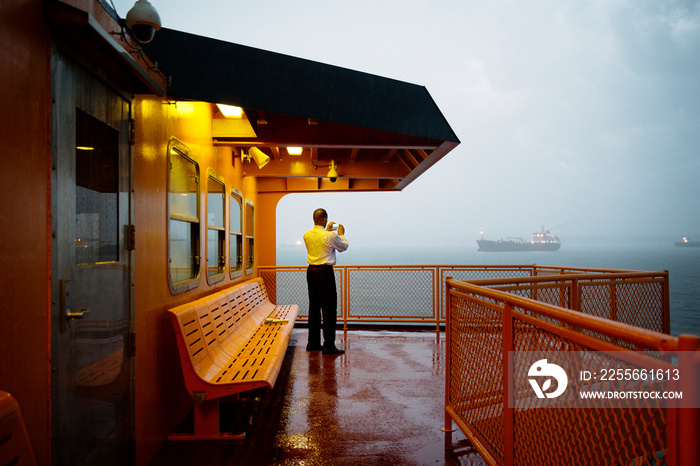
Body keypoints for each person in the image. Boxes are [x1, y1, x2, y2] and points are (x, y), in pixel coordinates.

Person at [303, 208, 349, 355]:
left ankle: (313, 343)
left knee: (314, 307)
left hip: (311, 272)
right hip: (324, 272)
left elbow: (320, 242)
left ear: (314, 219)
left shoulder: (307, 235)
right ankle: (328, 345)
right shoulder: (330, 235)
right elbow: (343, 246)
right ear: (324, 219)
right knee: (328, 308)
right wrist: (341, 234)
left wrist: (328, 231)